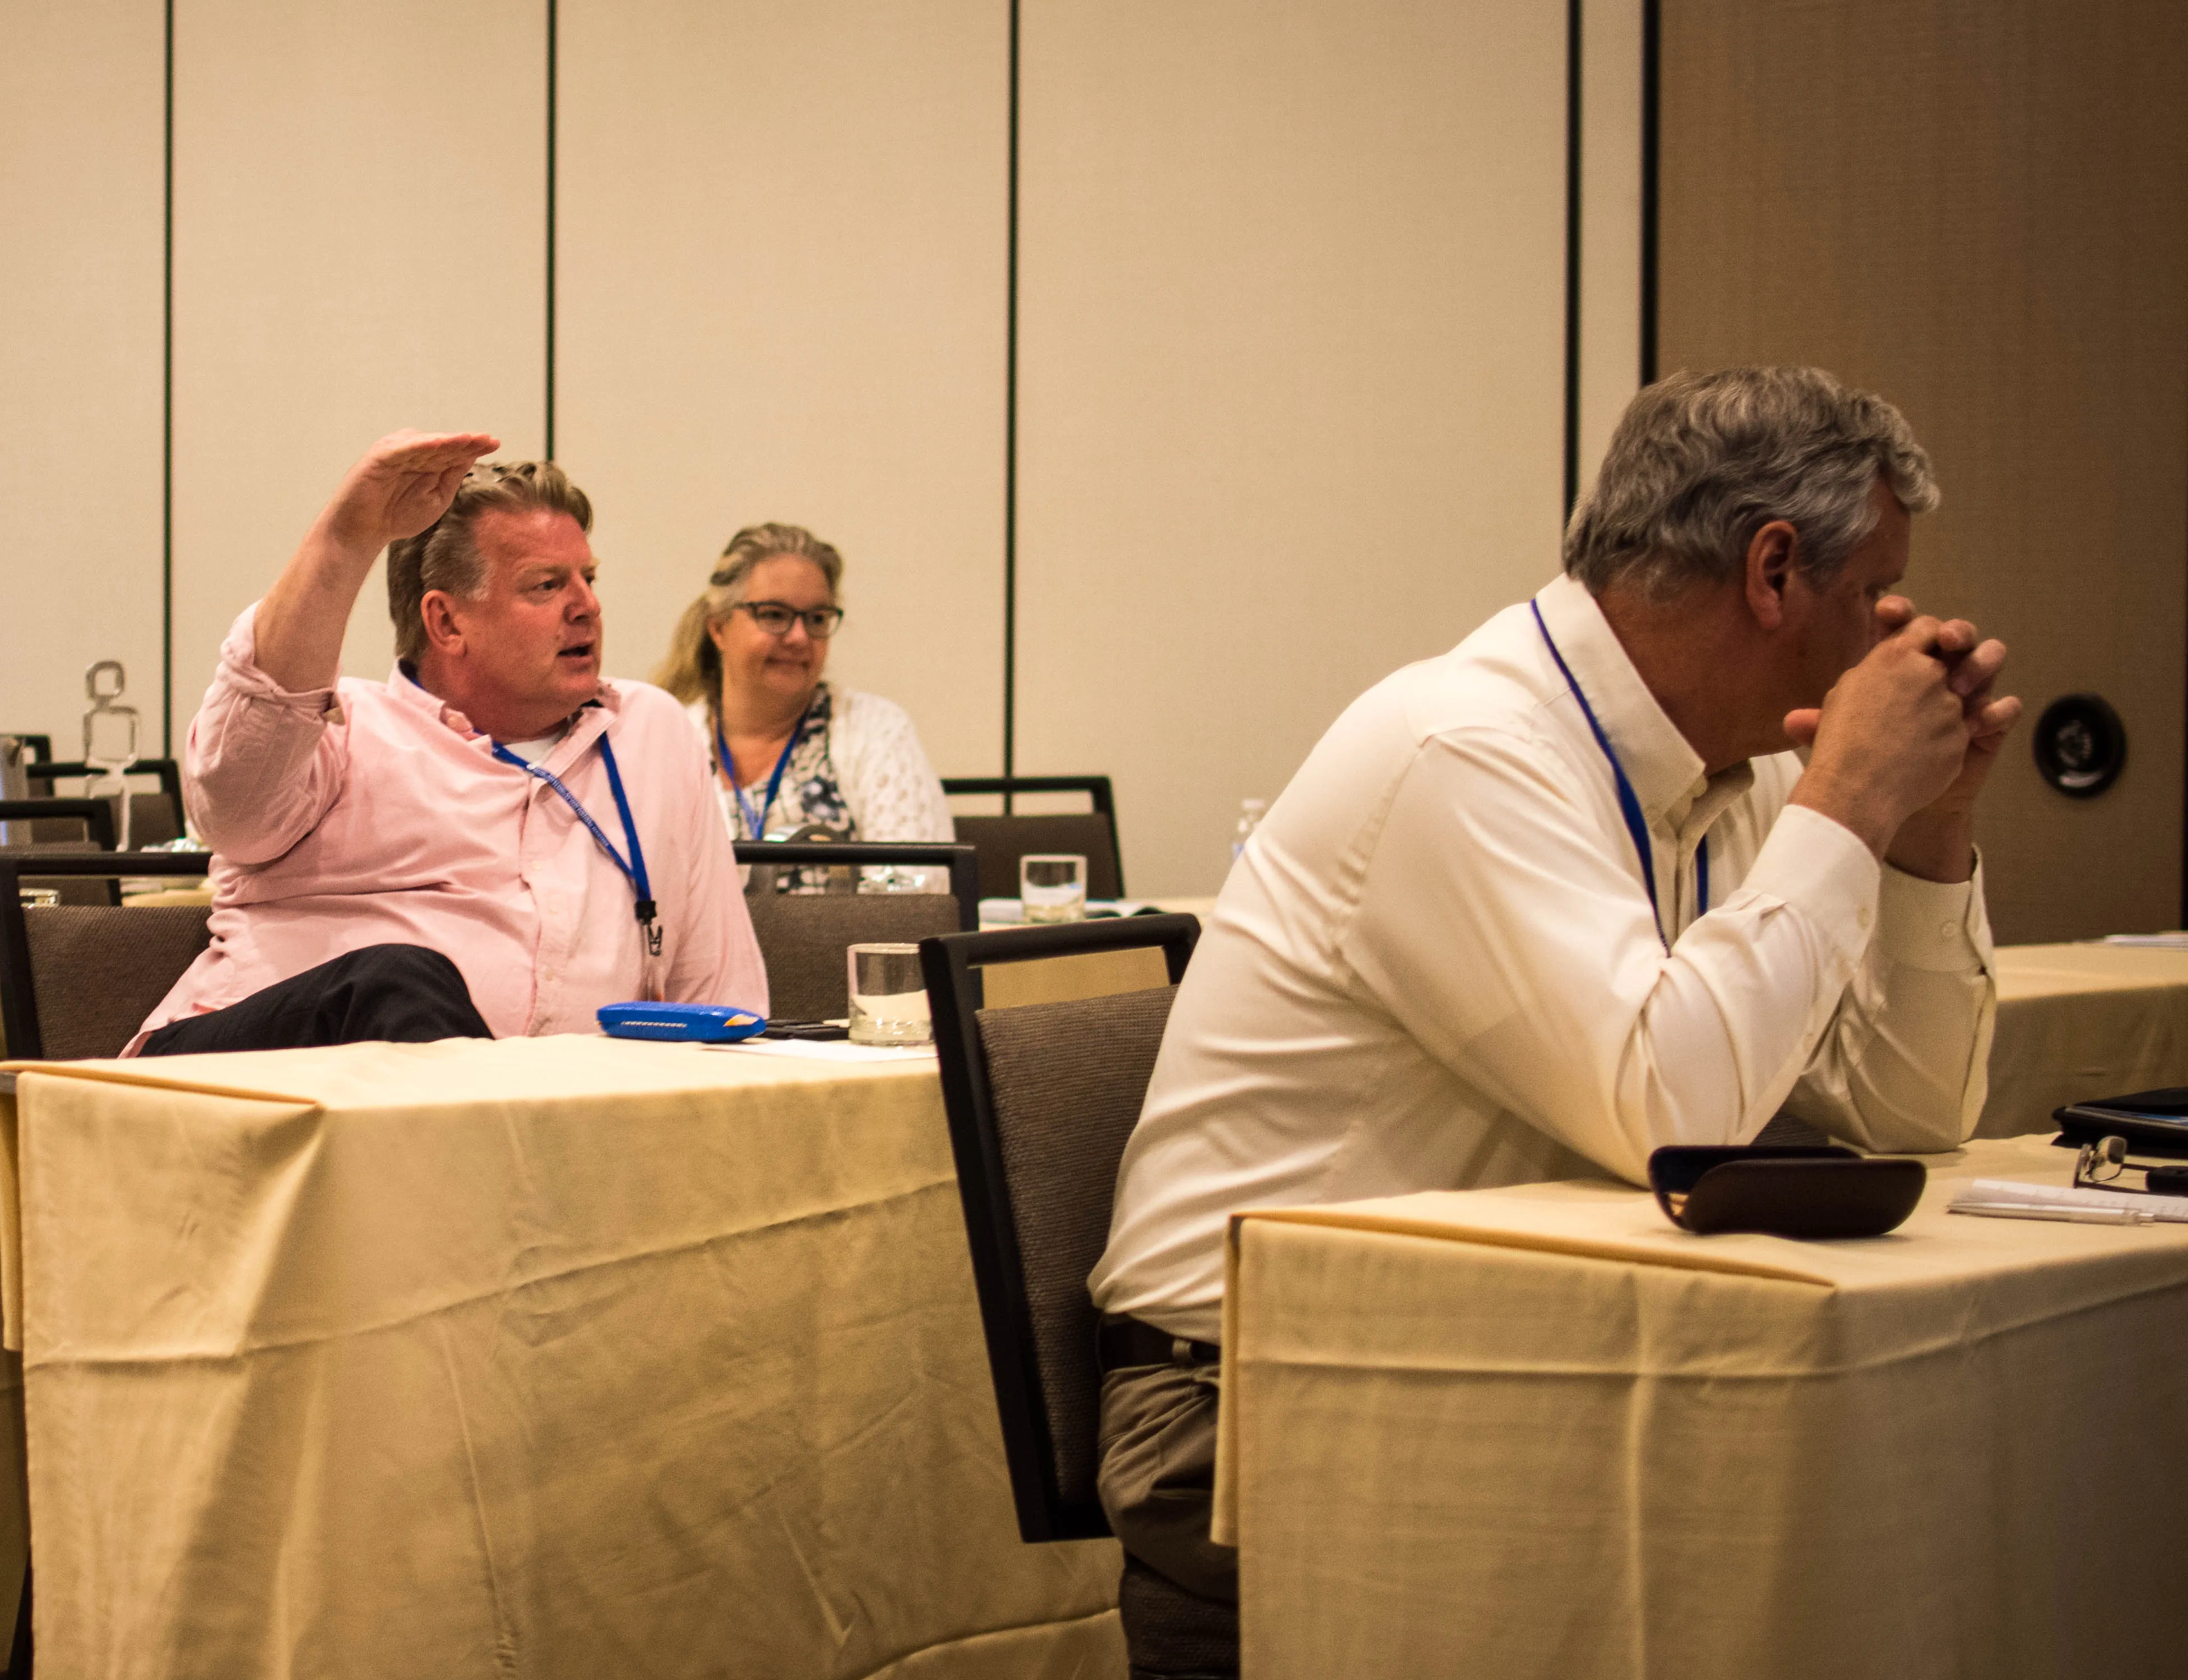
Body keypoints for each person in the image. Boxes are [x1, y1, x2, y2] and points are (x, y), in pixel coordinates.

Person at [1085, 366, 2018, 1604]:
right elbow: (1679, 1122)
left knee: (1912, 1500)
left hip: (1484, 1350)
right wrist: (1850, 794)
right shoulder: (1465, 748)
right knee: (1780, 1576)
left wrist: (1924, 827)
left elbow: (1913, 1113)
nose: (1896, 634)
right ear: (1774, 571)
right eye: (1872, 593)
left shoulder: (1736, 773)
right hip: (1245, 1400)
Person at [135, 431, 766, 1054]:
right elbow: (232, 809)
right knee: (395, 980)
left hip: (528, 1119)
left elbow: (720, 999)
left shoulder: (650, 733)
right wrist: (345, 539)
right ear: (446, 621)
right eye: (546, 586)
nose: (587, 607)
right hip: (244, 1087)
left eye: (589, 579)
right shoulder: (340, 732)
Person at [655, 523, 952, 847]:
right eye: (773, 614)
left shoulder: (877, 731)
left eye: (817, 619)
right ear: (719, 629)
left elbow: (916, 890)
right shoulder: (669, 742)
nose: (799, 637)